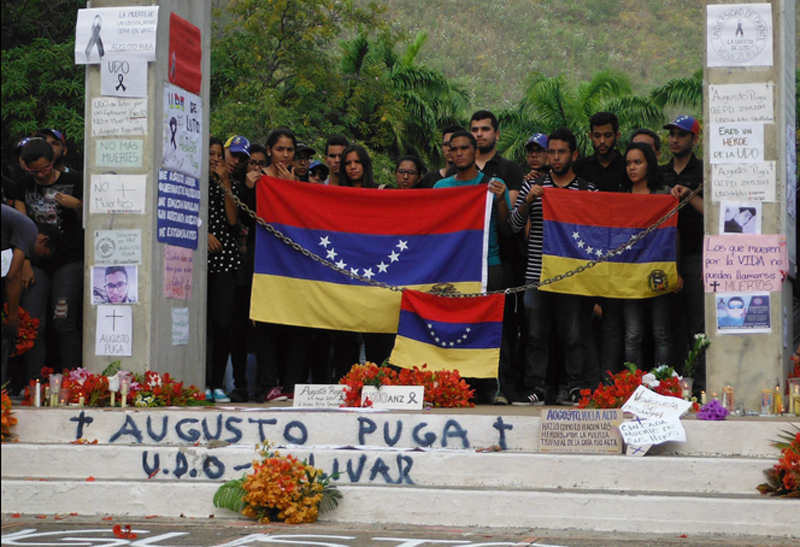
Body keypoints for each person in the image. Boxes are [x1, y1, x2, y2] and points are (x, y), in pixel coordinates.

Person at [509, 127, 597, 406]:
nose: (555, 157)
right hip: (537, 274)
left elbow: (598, 234)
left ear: (574, 154)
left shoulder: (588, 190)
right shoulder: (532, 186)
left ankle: (575, 388)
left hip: (573, 277)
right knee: (535, 336)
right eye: (551, 152)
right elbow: (512, 226)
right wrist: (528, 203)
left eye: (561, 152)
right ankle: (536, 388)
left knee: (574, 336)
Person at [435, 130, 513, 405]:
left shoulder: (493, 184)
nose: (458, 153)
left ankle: (495, 388)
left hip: (487, 266)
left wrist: (502, 199)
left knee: (490, 328)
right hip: (453, 268)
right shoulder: (440, 188)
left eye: (464, 148)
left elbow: (507, 228)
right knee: (454, 328)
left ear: (474, 151)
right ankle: (458, 386)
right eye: (453, 149)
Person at [9, 137, 84, 381]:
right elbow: (20, 228)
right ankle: (35, 382)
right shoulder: (22, 186)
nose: (40, 175)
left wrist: (78, 205)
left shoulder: (74, 181)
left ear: (53, 161)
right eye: (33, 171)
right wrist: (26, 265)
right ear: (25, 166)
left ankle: (73, 381)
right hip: (35, 262)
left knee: (63, 322)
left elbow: (96, 217)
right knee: (33, 324)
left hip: (68, 259)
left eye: (44, 169)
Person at [660, 115, 705, 390]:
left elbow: (714, 214)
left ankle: (699, 384)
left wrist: (689, 195)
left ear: (695, 140)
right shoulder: (661, 172)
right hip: (664, 258)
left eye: (681, 135)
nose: (674, 139)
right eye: (671, 134)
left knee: (697, 325)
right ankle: (672, 385)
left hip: (696, 255)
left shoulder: (703, 172)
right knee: (669, 325)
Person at [619, 142, 673, 368]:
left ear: (649, 165)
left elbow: (672, 235)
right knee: (633, 334)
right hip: (629, 274)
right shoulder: (620, 197)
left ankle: (663, 384)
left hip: (658, 271)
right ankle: (632, 386)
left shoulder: (664, 194)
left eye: (638, 162)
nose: (632, 168)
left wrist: (675, 270)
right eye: (629, 163)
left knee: (661, 332)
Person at [1, 204, 55, 387]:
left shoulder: (12, 228)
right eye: (42, 255)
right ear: (43, 240)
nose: (37, 259)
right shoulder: (28, 229)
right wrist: (13, 316)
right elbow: (12, 276)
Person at [205, 137, 242, 404]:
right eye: (210, 154)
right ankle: (201, 380)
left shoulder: (230, 184)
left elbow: (232, 220)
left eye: (219, 155)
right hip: (194, 259)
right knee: (200, 325)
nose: (215, 159)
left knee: (222, 323)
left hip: (224, 259)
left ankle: (217, 383)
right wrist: (201, 233)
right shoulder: (189, 183)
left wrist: (225, 182)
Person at [574, 112, 626, 193]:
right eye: (597, 136)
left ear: (617, 136)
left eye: (607, 135)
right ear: (591, 136)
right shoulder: (579, 167)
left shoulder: (627, 167)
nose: (602, 141)